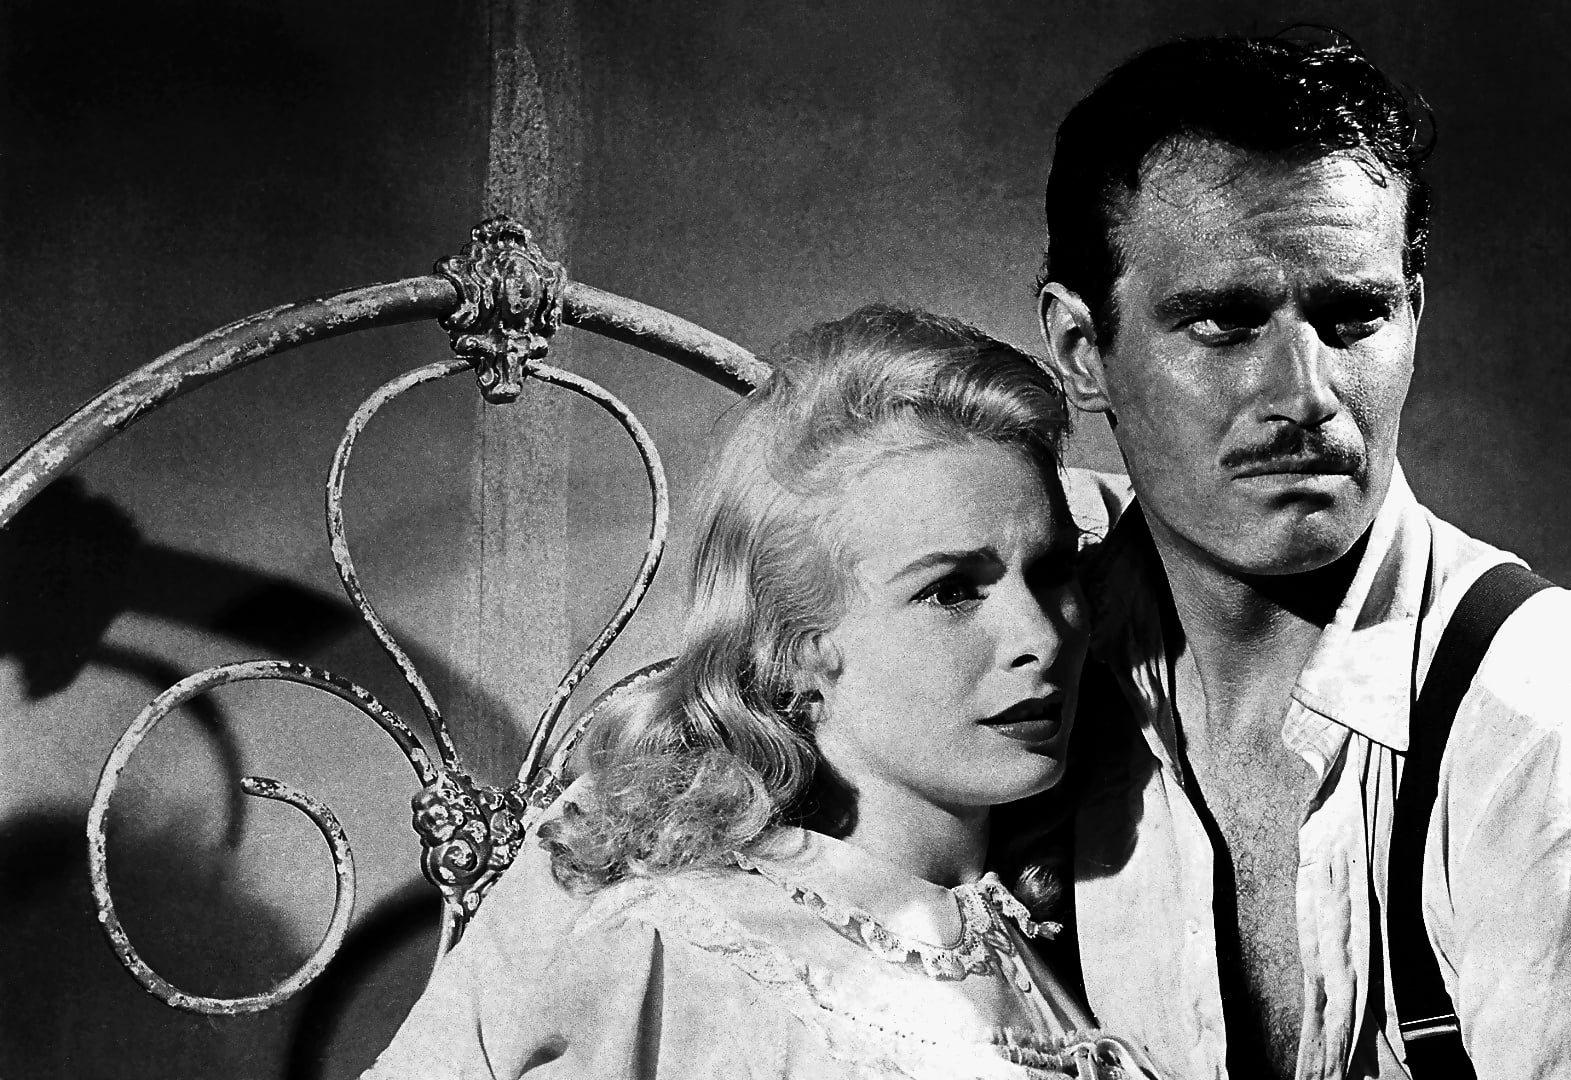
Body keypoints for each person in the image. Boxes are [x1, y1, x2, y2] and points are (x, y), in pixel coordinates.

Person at [1033, 29, 1571, 1080]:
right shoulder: (1031, 676)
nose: (1305, 395)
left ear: (1413, 320)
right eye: (1224, 324)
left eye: (1354, 317)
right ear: (1081, 351)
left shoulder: (1554, 742)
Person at [365, 306, 1159, 1079]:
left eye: (1052, 570)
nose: (1042, 635)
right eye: (951, 590)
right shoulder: (681, 954)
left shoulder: (1062, 948)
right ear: (800, 649)